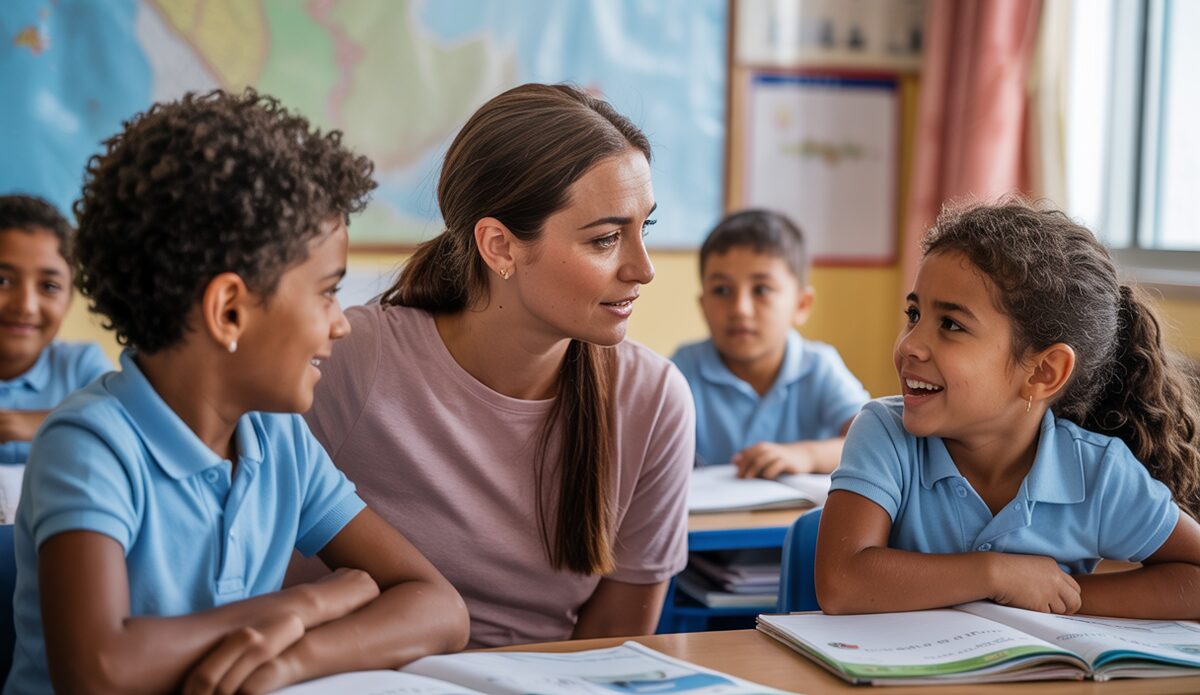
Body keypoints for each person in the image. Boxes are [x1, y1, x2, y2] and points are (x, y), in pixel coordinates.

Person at [6, 90, 468, 695]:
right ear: (228, 311)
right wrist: (299, 607)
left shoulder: (277, 440)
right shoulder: (91, 445)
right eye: (327, 292)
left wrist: (295, 656)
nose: (341, 322)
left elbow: (440, 608)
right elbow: (99, 669)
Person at [292, 83, 695, 648]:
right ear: (500, 246)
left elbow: (610, 646)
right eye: (606, 238)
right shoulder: (349, 358)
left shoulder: (654, 399)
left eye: (643, 228)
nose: (644, 269)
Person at [816, 200, 1200, 618]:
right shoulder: (884, 433)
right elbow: (842, 582)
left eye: (951, 325)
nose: (909, 344)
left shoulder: (1098, 473)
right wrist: (997, 575)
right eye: (914, 314)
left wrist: (1059, 595)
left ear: (1044, 372)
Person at [672, 209, 868, 477]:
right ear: (703, 305)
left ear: (801, 304)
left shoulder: (819, 366)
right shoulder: (682, 370)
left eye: (761, 290)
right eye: (721, 291)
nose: (740, 309)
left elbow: (872, 443)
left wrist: (808, 455)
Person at [0, 195, 112, 466]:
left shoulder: (82, 367)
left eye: (49, 286)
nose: (26, 306)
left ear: (70, 297)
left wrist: (46, 422)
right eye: (2, 280)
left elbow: (122, 424)